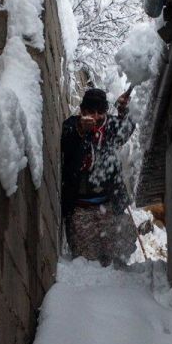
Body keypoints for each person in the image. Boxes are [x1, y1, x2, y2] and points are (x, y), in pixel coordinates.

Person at [60, 88, 137, 266]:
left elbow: (125, 130)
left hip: (108, 206)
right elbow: (67, 141)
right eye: (91, 112)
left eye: (100, 112)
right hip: (80, 209)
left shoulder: (110, 127)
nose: (96, 116)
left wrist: (123, 110)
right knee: (88, 261)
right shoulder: (72, 126)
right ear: (82, 111)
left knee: (119, 252)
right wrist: (81, 129)